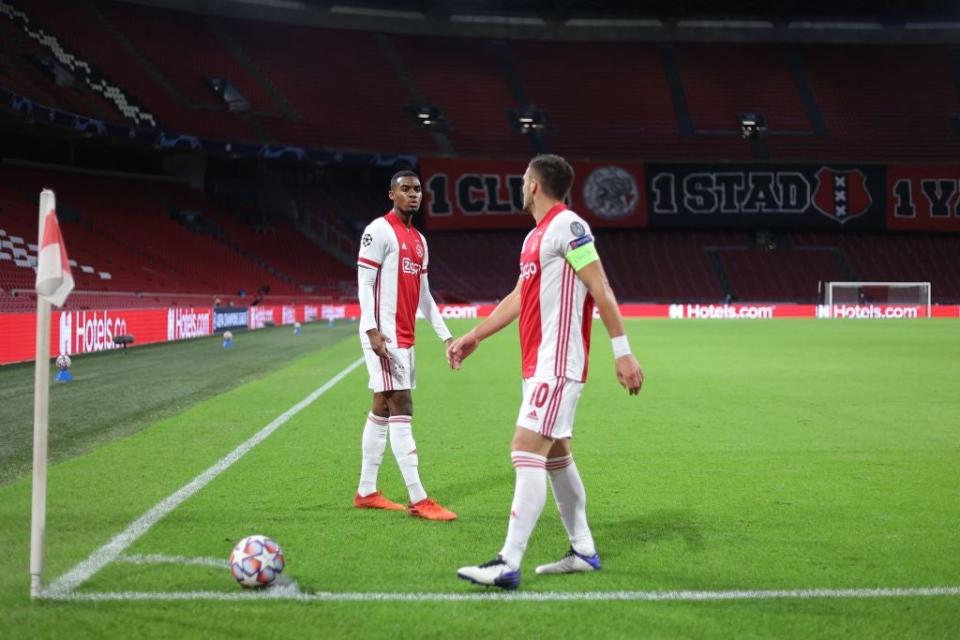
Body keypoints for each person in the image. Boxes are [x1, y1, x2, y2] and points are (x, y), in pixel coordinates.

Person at [448, 154, 644, 588]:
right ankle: (583, 551)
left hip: (557, 361)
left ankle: (508, 561)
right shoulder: (535, 238)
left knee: (524, 450)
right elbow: (519, 297)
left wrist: (622, 350)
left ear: (534, 185)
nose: (521, 186)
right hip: (537, 362)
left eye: (523, 180)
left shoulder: (569, 226)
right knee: (556, 456)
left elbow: (601, 286)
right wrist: (475, 336)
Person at [354, 169, 457, 521]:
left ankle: (366, 490)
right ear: (391, 194)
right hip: (384, 335)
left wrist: (445, 335)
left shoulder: (420, 241)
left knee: (382, 407)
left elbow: (425, 297)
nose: (413, 194)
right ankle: (419, 498)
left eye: (417, 190)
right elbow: (364, 284)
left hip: (405, 336)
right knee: (402, 404)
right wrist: (371, 330)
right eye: (405, 189)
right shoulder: (378, 231)